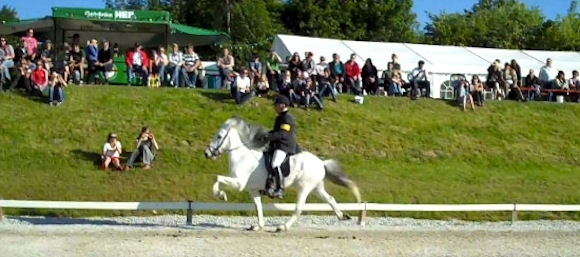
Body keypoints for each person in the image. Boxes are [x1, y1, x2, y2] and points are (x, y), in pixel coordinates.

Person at [261, 95, 297, 199]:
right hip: (277, 145)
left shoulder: (288, 118)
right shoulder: (280, 118)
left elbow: (282, 134)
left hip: (285, 145)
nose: (274, 107)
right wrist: (265, 134)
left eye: (276, 105)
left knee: (275, 163)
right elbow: (276, 131)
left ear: (282, 105)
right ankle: (269, 187)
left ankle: (280, 189)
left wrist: (268, 137)